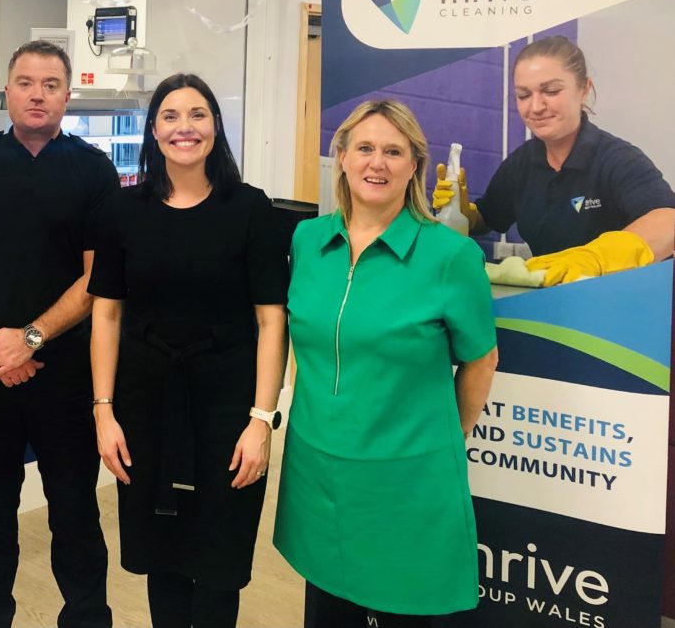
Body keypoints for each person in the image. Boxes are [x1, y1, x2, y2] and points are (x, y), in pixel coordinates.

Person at [275, 99, 498, 627]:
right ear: (343, 157)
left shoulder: (450, 256)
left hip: (407, 478)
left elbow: (481, 360)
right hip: (317, 469)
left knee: (404, 610)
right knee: (328, 611)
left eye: (394, 152)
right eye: (365, 148)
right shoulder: (308, 240)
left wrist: (448, 437)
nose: (377, 163)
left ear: (415, 165)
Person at [88, 73, 288, 628]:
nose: (185, 127)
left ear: (215, 127)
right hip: (146, 405)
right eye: (171, 116)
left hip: (228, 409)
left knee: (220, 560)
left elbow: (271, 321)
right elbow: (106, 314)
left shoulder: (250, 209)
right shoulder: (124, 209)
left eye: (197, 115)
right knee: (163, 556)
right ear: (153, 130)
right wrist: (103, 411)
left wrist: (262, 420)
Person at [0, 40, 118, 628]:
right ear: (7, 91)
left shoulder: (93, 170)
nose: (37, 95)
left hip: (66, 381)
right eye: (25, 83)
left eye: (50, 84)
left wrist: (30, 339)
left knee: (75, 518)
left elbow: (97, 278)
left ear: (68, 95)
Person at [434, 35, 675, 285]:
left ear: (584, 90)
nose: (536, 106)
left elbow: (667, 220)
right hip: (554, 299)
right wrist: (462, 213)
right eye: (523, 95)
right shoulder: (521, 165)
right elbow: (489, 218)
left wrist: (596, 259)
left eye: (551, 91)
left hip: (623, 298)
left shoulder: (616, 159)